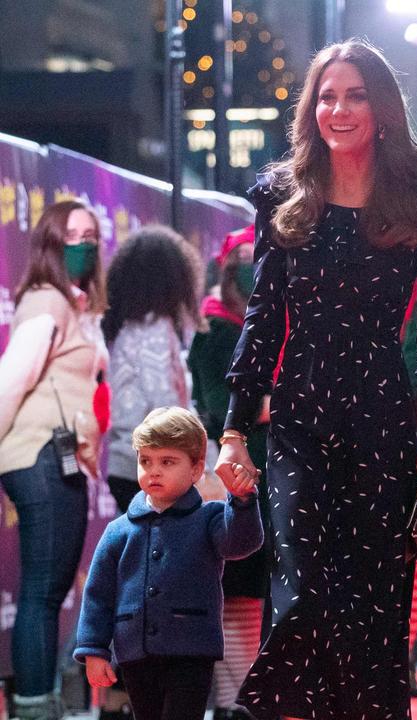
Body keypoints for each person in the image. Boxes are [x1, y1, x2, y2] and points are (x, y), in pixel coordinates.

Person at [214, 39, 417, 720]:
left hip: (383, 421)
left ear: (381, 107)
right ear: (311, 108)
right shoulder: (282, 195)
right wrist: (234, 430)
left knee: (374, 610)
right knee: (302, 591)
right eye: (326, 95)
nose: (339, 108)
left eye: (355, 95)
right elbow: (263, 317)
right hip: (300, 419)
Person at [74, 407, 263, 720]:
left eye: (168, 461)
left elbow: (242, 544)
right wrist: (94, 650)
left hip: (192, 651)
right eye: (145, 460)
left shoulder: (210, 518)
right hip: (135, 653)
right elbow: (98, 595)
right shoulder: (118, 530)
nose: (154, 471)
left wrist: (242, 502)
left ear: (196, 468)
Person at [0, 200, 109, 720]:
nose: (83, 245)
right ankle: (34, 708)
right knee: (43, 594)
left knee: (49, 591)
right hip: (40, 453)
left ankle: (37, 703)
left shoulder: (71, 303)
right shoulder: (46, 301)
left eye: (91, 235)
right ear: (48, 241)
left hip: (55, 456)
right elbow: (12, 380)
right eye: (71, 235)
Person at [186, 225, 272, 720]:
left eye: (254, 256)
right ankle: (234, 704)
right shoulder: (213, 330)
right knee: (235, 592)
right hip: (230, 480)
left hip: (261, 480)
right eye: (240, 257)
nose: (248, 265)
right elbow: (220, 410)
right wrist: (287, 403)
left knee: (250, 595)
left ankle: (238, 702)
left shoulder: (264, 326)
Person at [102, 225, 202, 512]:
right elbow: (167, 407)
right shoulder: (153, 330)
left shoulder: (129, 329)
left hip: (132, 463)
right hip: (154, 466)